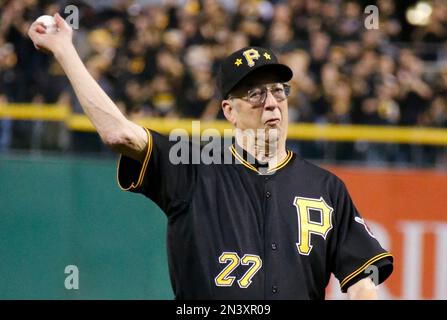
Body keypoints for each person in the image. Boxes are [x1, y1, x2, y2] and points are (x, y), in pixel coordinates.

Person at [28, 14, 393, 300]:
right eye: (255, 94)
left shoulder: (326, 187)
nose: (271, 103)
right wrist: (66, 52)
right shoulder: (193, 167)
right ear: (229, 111)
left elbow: (363, 278)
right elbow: (118, 133)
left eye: (279, 91)